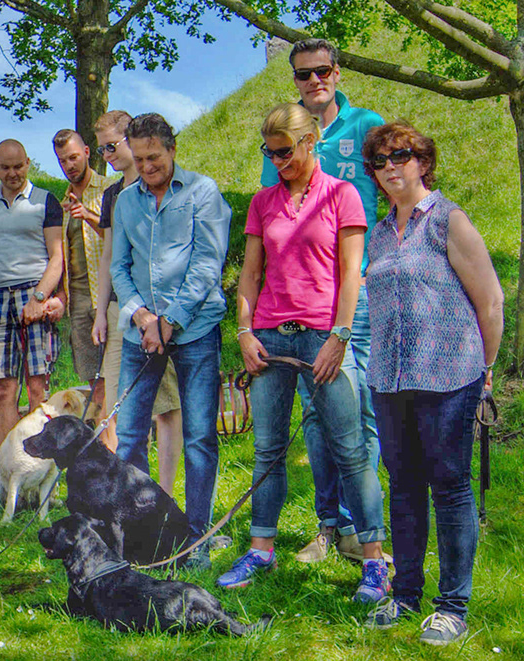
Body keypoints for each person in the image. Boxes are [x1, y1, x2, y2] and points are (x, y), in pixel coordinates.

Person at [218, 103, 388, 598]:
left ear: (310, 142)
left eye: (285, 152)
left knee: (350, 448)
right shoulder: (263, 201)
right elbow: (251, 274)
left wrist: (340, 336)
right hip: (271, 336)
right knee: (268, 450)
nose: (278, 162)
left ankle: (374, 560)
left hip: (323, 336)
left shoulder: (342, 195)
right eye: (270, 153)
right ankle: (261, 549)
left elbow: (352, 274)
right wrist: (244, 332)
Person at [359, 122, 504, 644]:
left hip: (450, 375)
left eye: (400, 156)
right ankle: (405, 594)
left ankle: (452, 607)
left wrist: (485, 369)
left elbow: (490, 301)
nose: (390, 167)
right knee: (403, 487)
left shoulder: (449, 220)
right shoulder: (378, 234)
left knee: (450, 486)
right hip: (390, 378)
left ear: (422, 161)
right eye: (379, 161)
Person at [265, 38, 389, 566]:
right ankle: (328, 525)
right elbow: (274, 207)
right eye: (303, 73)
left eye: (322, 71)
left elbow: (391, 189)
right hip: (304, 300)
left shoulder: (365, 125)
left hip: (356, 290)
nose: (314, 80)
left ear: (337, 73)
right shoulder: (282, 137)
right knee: (316, 415)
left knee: (360, 412)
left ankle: (364, 530)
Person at [108, 113, 232, 569]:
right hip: (141, 330)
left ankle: (196, 537)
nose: (146, 167)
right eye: (139, 159)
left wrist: (171, 320)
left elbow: (207, 263)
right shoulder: (126, 202)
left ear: (172, 149)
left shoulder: (203, 192)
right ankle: (142, 532)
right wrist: (142, 316)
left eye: (154, 157)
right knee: (129, 437)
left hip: (195, 328)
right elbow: (119, 266)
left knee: (199, 437)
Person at [90, 110, 184, 485]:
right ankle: (129, 490)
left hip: (162, 311)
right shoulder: (113, 195)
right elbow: (108, 257)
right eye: (102, 150)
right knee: (120, 404)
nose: (108, 155)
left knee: (167, 405)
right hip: (122, 310)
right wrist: (101, 312)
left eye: (112, 146)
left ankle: (166, 492)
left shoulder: (166, 186)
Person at [0, 139, 65, 444]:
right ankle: (7, 462)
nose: (13, 173)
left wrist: (40, 297)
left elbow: (57, 257)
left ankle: (40, 460)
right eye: (5, 167)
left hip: (34, 291)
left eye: (18, 166)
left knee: (38, 386)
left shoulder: (45, 201)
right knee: (3, 389)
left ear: (28, 163)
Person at [52, 129, 113, 414]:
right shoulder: (62, 202)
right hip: (77, 300)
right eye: (63, 161)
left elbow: (120, 237)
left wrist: (88, 215)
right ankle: (103, 433)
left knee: (115, 373)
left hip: (107, 296)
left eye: (74, 157)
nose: (69, 165)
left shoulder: (109, 189)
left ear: (87, 152)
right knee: (93, 377)